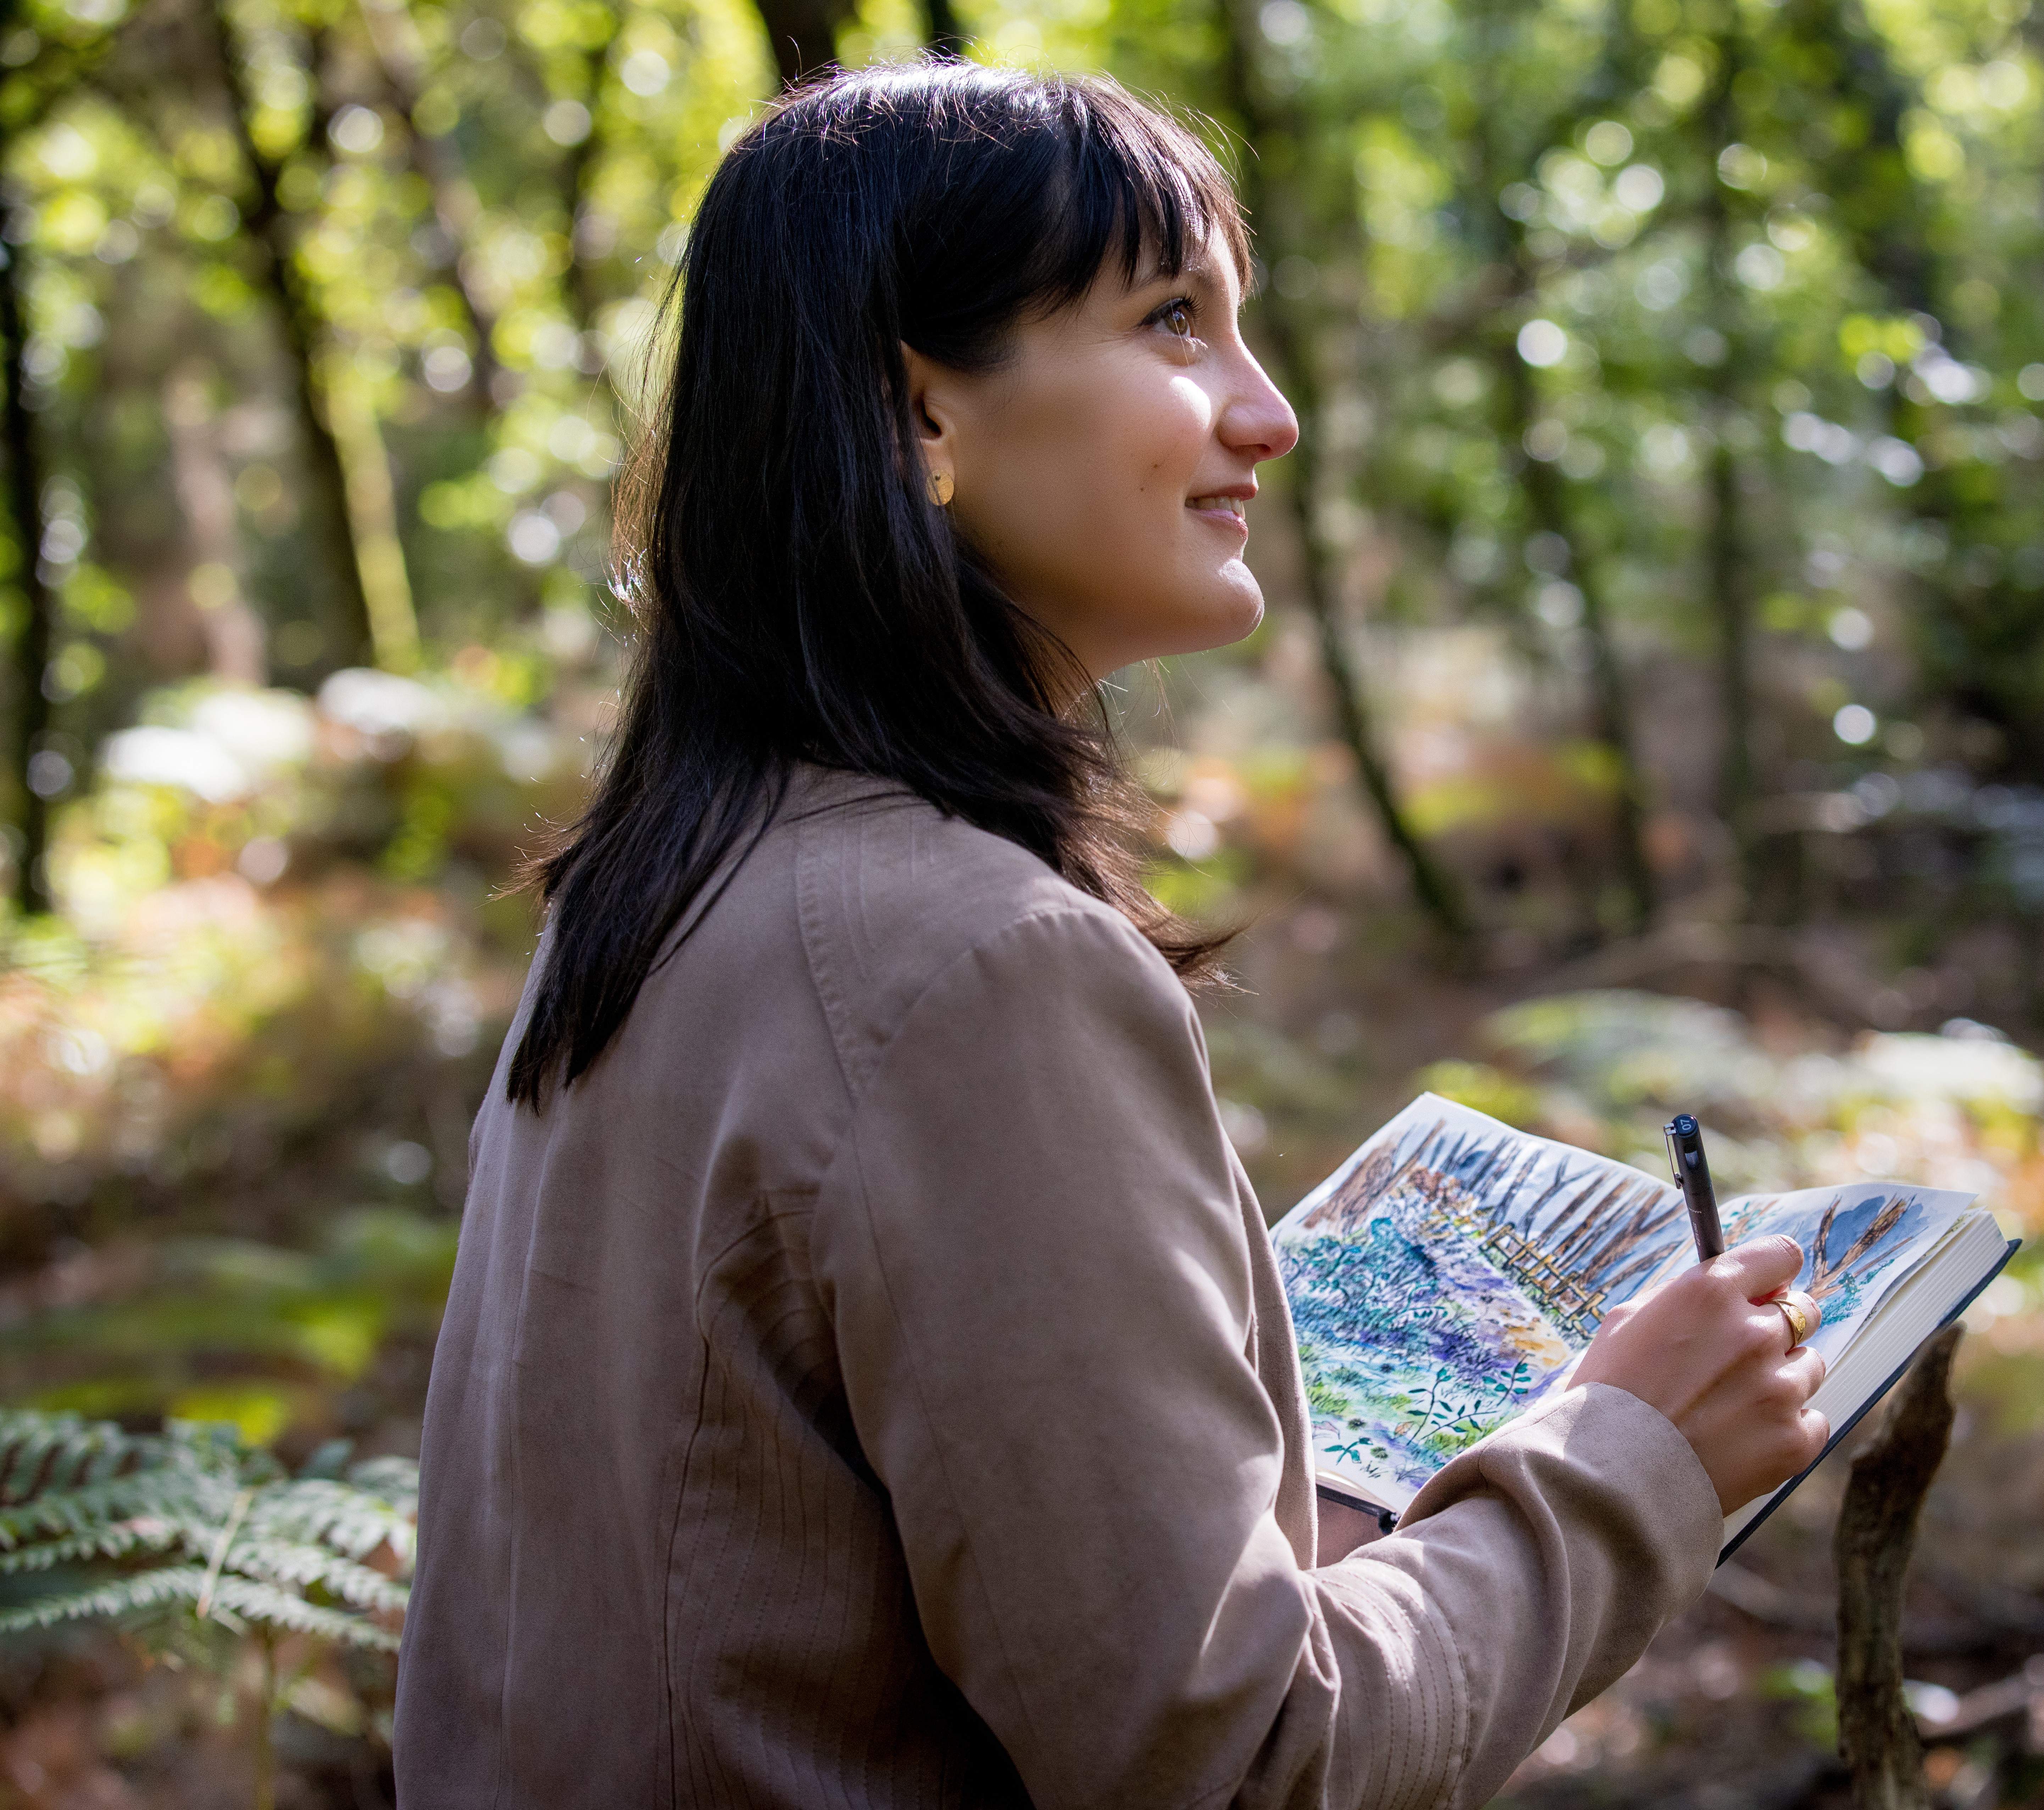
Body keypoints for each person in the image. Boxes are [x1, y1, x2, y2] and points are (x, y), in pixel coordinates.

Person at [396, 60, 1832, 1809]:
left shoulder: (652, 894)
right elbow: (1235, 1765)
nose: (1267, 412)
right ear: (920, 413)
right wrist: (1637, 1453)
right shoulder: (975, 966)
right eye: (1173, 323)